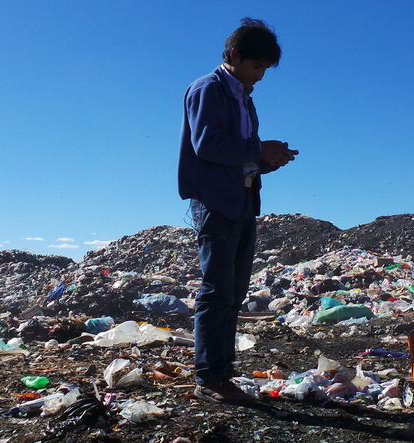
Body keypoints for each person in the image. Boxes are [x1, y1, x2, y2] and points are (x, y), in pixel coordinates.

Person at [178, 18, 297, 405]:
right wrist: (257, 149)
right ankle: (209, 378)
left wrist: (268, 160)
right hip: (216, 202)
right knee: (217, 290)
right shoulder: (207, 90)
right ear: (233, 55)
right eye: (256, 66)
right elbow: (207, 144)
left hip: (243, 199)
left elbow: (240, 155)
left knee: (235, 291)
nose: (260, 76)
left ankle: (222, 371)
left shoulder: (244, 98)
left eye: (264, 68)